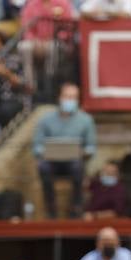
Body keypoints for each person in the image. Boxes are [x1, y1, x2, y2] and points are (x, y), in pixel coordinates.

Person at [33, 82, 96, 219]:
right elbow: (37, 147)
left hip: (74, 161)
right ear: (59, 97)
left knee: (78, 167)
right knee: (43, 167)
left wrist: (82, 152)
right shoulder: (46, 120)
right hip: (52, 162)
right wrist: (45, 152)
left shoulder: (86, 120)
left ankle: (76, 208)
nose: (70, 100)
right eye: (67, 96)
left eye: (73, 97)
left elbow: (91, 147)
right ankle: (51, 209)